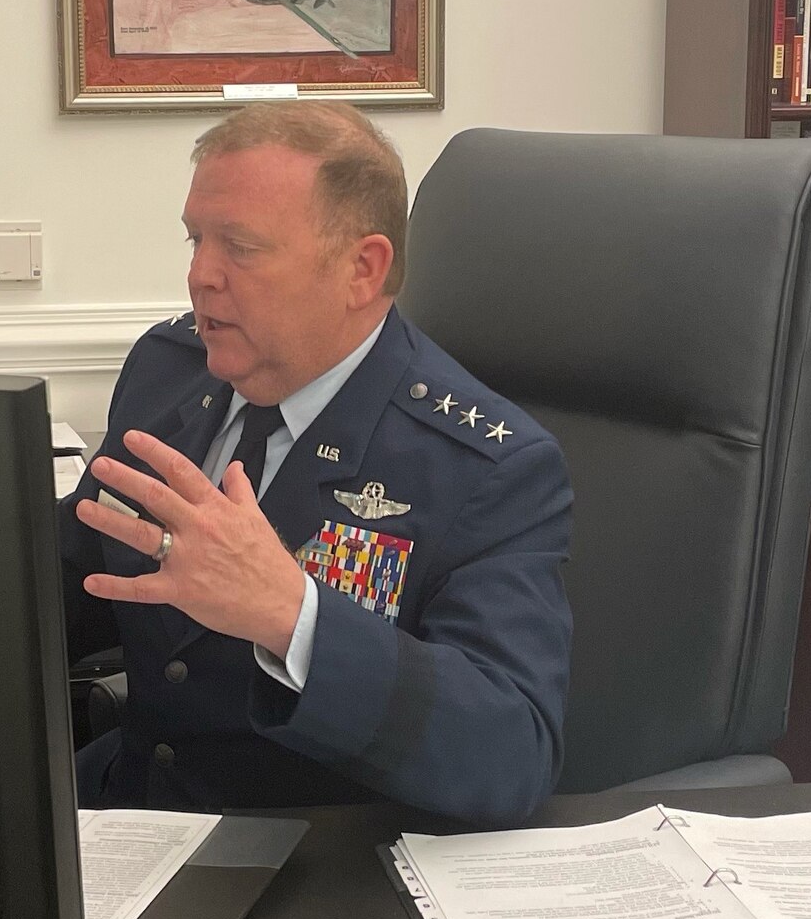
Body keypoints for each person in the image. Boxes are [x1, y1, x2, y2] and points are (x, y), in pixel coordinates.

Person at [59, 102, 573, 827]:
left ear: (362, 269)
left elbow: (509, 750)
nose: (200, 274)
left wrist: (292, 616)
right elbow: (76, 574)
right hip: (127, 815)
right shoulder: (168, 373)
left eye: (239, 246)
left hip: (317, 865)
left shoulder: (484, 466)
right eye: (196, 238)